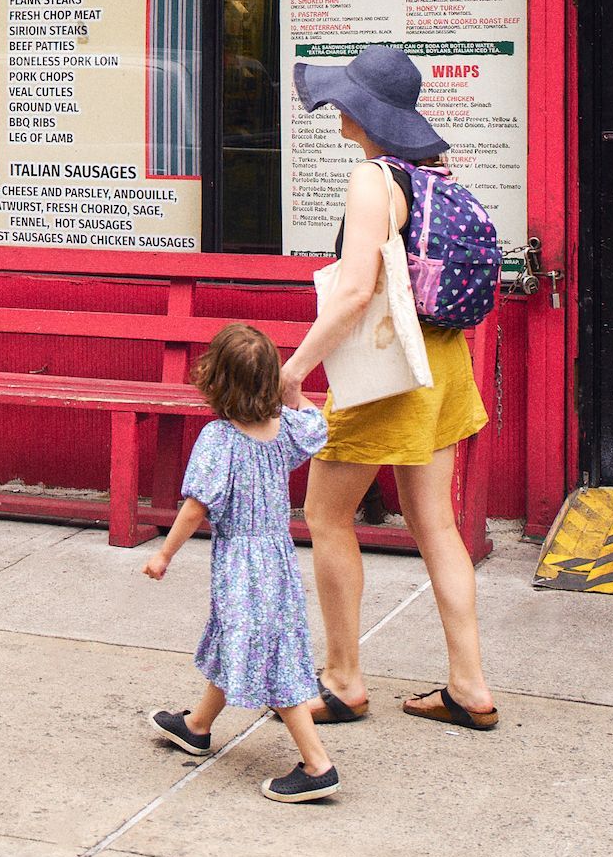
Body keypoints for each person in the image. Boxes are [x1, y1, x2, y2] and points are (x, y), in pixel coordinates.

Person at [281, 46, 498, 732]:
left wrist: (293, 370)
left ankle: (343, 680)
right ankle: (470, 686)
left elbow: (353, 295)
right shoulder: (433, 175)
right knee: (436, 525)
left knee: (325, 516)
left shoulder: (372, 180)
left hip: (387, 373)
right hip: (442, 367)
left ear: (358, 110)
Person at [142, 322, 340, 803]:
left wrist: (164, 553)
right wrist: (293, 393)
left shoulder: (219, 439)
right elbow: (318, 425)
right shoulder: (286, 429)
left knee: (268, 658)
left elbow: (196, 506)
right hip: (277, 558)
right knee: (239, 640)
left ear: (215, 382)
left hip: (242, 564)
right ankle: (197, 725)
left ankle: (318, 765)